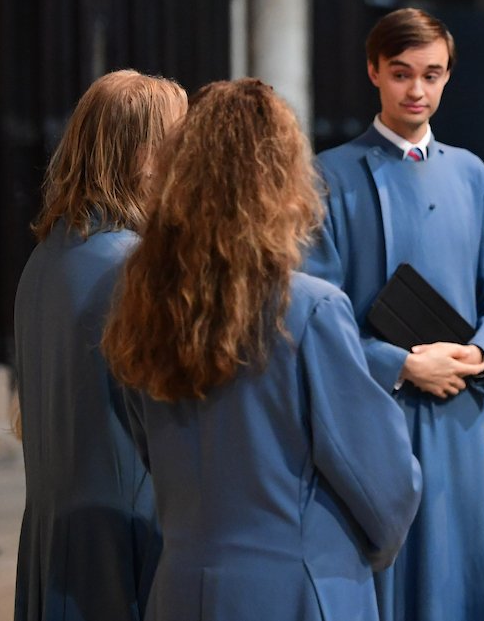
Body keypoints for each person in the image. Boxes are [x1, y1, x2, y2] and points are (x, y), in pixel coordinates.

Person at [103, 79, 422, 621]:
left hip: (181, 586)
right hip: (296, 587)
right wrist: (360, 554)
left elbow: (147, 449)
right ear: (281, 181)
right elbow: (381, 480)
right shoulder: (308, 309)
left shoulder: (143, 303)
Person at [303, 7, 484, 621]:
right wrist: (401, 363)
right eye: (402, 73)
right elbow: (311, 312)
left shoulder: (473, 177)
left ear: (448, 76)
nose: (417, 90)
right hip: (370, 406)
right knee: (384, 563)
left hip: (459, 410)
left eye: (432, 75)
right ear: (374, 70)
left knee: (454, 569)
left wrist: (480, 354)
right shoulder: (328, 178)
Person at [12, 69, 187, 621]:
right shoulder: (132, 265)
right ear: (143, 154)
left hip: (56, 528)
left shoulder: (46, 255)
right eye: (178, 141)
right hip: (122, 534)